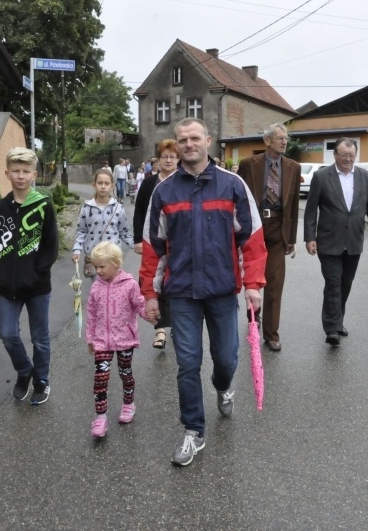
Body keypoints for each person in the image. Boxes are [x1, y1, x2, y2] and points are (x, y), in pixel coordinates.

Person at [139, 118, 267, 466]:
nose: (188, 144)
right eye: (182, 140)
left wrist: (253, 285)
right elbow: (154, 248)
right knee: (187, 364)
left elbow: (253, 240)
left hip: (223, 292)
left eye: (195, 138)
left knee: (225, 359)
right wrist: (150, 294)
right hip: (181, 294)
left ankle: (224, 387)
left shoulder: (233, 186)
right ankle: (193, 431)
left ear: (208, 141)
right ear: (176, 146)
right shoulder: (163, 193)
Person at [0, 147, 59, 404]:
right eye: (15, 171)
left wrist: (37, 274)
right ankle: (24, 371)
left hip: (38, 287)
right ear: (7, 173)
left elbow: (50, 245)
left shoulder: (43, 205)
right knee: (8, 333)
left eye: (26, 171)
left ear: (34, 174)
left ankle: (41, 380)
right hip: (9, 287)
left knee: (40, 338)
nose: (20, 176)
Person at [303, 137, 368, 346]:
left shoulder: (366, 178)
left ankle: (338, 320)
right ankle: (332, 327)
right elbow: (311, 209)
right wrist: (310, 237)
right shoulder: (322, 176)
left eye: (351, 156)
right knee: (333, 282)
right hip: (328, 240)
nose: (348, 159)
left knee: (345, 283)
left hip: (354, 240)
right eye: (344, 156)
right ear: (335, 155)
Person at [237, 123, 301, 352]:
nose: (284, 142)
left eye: (286, 138)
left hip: (277, 228)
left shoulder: (293, 167)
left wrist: (291, 239)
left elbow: (293, 206)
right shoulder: (248, 164)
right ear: (267, 141)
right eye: (280, 138)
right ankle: (253, 319)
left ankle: (271, 334)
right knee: (252, 280)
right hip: (254, 227)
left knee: (275, 284)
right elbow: (237, 197)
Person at [85, 242, 148, 438]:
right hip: (102, 340)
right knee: (100, 379)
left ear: (116, 263)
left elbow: (140, 305)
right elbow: (91, 313)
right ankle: (100, 417)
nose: (98, 271)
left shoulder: (129, 284)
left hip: (124, 339)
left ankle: (129, 404)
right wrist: (90, 338)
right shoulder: (96, 287)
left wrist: (152, 314)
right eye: (96, 267)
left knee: (125, 373)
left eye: (102, 267)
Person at [133, 139, 179, 349]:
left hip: (177, 244)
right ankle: (160, 330)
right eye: (164, 157)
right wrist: (137, 239)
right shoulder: (150, 183)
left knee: (175, 283)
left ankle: (178, 327)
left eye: (172, 156)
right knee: (154, 283)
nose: (168, 160)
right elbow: (139, 212)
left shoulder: (183, 181)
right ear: (158, 160)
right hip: (152, 242)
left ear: (178, 159)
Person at [72, 168, 134, 278]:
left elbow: (124, 232)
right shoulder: (87, 208)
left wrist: (137, 246)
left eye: (107, 183)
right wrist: (77, 250)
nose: (103, 186)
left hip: (113, 257)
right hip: (94, 258)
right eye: (100, 183)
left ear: (112, 186)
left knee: (115, 291)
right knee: (98, 290)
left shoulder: (118, 208)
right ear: (94, 185)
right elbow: (81, 231)